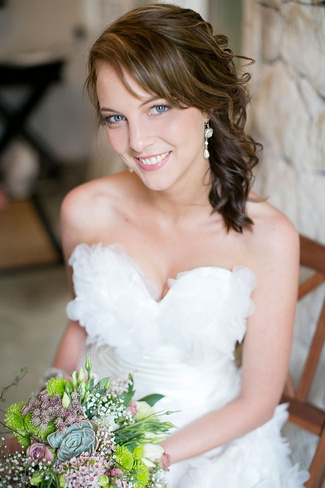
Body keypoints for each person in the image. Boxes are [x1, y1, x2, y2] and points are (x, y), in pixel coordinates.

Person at [51, 4, 308, 487]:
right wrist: (49, 419)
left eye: (159, 107)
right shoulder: (84, 210)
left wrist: (140, 462)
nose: (137, 141)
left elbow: (259, 399)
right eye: (115, 118)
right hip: (94, 435)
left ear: (207, 102)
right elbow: (80, 324)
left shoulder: (268, 238)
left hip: (211, 448)